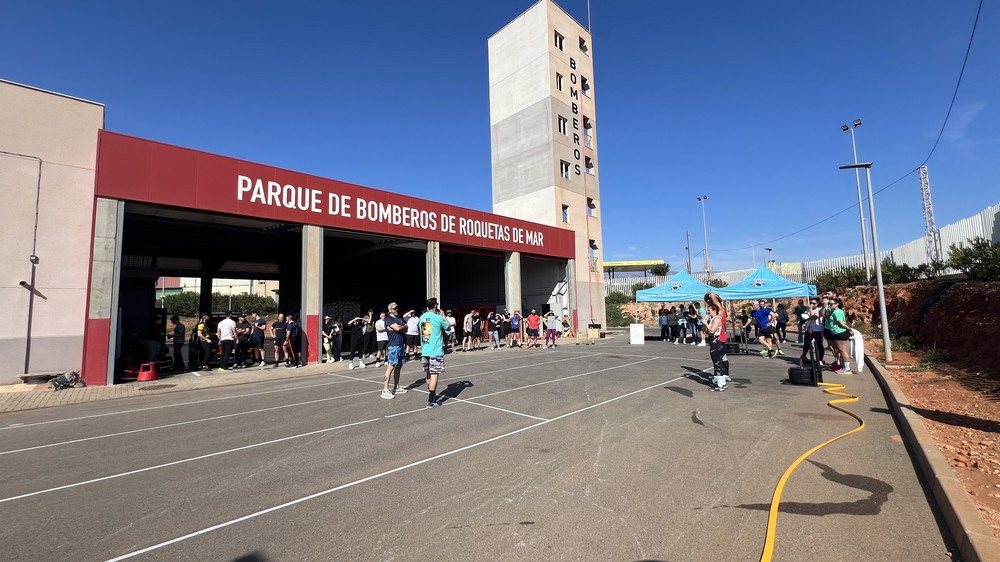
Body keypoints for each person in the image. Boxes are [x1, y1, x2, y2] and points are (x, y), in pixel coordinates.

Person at [419, 297, 451, 408]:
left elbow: (426, 332)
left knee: (428, 373)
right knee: (434, 374)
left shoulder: (422, 317)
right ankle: (431, 400)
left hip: (425, 349)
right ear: (436, 306)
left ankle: (431, 393)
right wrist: (443, 316)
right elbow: (448, 327)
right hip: (435, 350)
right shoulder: (438, 318)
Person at [380, 303, 409, 399]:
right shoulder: (389, 319)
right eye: (394, 308)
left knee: (399, 366)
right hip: (394, 346)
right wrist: (400, 327)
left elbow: (405, 328)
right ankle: (385, 390)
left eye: (397, 307)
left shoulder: (399, 318)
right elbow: (398, 328)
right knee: (391, 367)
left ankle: (396, 386)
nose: (396, 309)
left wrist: (401, 327)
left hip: (401, 345)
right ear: (390, 310)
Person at [703, 291, 730, 390]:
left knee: (718, 363)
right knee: (720, 362)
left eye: (709, 310)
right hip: (716, 340)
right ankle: (722, 382)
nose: (707, 311)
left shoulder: (719, 315)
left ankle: (720, 384)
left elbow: (712, 330)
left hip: (717, 341)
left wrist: (712, 295)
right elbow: (708, 331)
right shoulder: (714, 317)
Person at [826, 298, 855, 374]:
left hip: (840, 333)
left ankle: (847, 368)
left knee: (843, 351)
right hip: (836, 332)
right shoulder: (834, 311)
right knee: (840, 350)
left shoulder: (837, 312)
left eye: (832, 304)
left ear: (837, 304)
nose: (830, 305)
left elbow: (841, 323)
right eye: (829, 304)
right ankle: (844, 366)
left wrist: (849, 329)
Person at [800, 298, 826, 366]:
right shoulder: (807, 310)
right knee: (806, 343)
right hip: (810, 329)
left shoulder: (819, 310)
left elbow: (814, 317)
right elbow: (804, 316)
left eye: (814, 303)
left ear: (817, 304)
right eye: (811, 303)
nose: (812, 305)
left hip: (818, 330)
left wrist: (810, 310)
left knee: (819, 345)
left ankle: (820, 359)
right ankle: (804, 356)